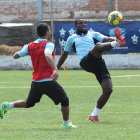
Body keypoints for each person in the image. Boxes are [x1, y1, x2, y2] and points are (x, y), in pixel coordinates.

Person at [0, 23, 76, 128]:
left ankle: (8, 105)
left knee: (29, 103)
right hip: (47, 81)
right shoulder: (48, 44)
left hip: (36, 82)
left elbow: (15, 56)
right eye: (49, 30)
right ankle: (66, 124)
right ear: (46, 33)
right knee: (64, 100)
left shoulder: (30, 45)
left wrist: (24, 48)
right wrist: (55, 69)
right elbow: (47, 54)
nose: (49, 32)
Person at [57, 19, 126, 122]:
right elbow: (64, 55)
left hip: (98, 62)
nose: (83, 24)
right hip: (86, 62)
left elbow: (107, 39)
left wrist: (116, 38)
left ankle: (94, 115)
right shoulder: (72, 38)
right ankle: (116, 43)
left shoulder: (94, 34)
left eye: (85, 23)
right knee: (98, 46)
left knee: (108, 90)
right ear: (76, 25)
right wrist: (55, 68)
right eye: (80, 23)